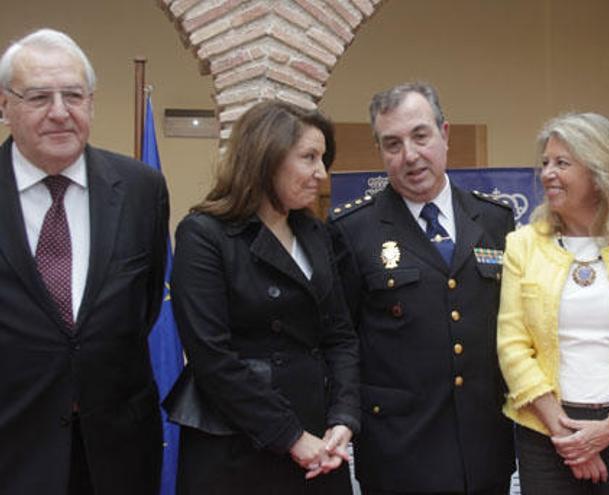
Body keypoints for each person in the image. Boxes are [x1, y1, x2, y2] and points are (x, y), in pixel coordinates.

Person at [0, 29, 168, 494]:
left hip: (118, 450)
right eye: (38, 96)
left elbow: (146, 303)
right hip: (12, 445)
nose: (59, 111)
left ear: (91, 103)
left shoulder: (141, 190)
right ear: (4, 105)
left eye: (73, 95)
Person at [328, 82, 516, 494]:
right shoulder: (351, 231)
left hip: (486, 447)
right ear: (380, 152)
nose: (409, 156)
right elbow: (342, 341)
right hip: (399, 451)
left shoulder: (495, 220)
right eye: (392, 144)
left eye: (420, 136)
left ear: (444, 135)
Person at [165, 100, 359, 493]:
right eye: (309, 158)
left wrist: (343, 418)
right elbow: (212, 357)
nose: (321, 174)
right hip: (237, 445)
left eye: (323, 159)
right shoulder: (204, 234)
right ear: (267, 157)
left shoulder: (318, 235)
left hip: (319, 444)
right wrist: (290, 436)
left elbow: (340, 336)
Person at [497, 112, 609, 494]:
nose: (548, 173)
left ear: (600, 172)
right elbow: (512, 346)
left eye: (562, 163)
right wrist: (568, 435)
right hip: (545, 432)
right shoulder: (523, 245)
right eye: (545, 163)